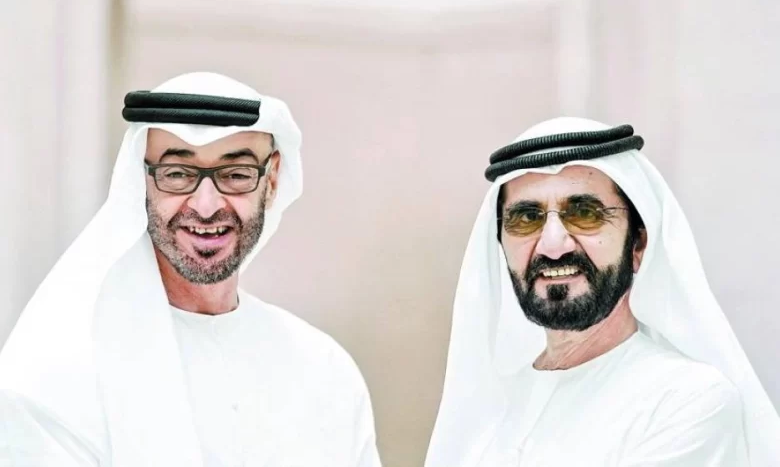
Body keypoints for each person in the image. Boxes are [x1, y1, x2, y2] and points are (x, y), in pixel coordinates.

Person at [0, 72, 382, 467]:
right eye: (177, 174)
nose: (205, 205)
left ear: (271, 181)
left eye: (236, 174)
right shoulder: (59, 372)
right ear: (139, 183)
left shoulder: (325, 370)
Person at [424, 117, 780, 466]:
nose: (553, 245)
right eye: (527, 218)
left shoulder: (688, 401)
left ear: (638, 244)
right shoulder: (491, 408)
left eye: (585, 213)